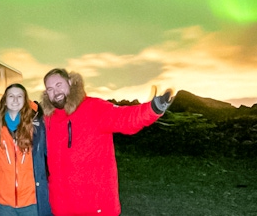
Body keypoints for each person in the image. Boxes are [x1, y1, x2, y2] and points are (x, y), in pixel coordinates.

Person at [41, 68, 175, 216]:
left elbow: (125, 118)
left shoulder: (93, 108)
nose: (56, 92)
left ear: (70, 82)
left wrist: (153, 108)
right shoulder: (48, 120)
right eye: (50, 89)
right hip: (61, 209)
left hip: (96, 208)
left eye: (59, 85)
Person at [0, 84, 51, 216]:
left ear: (25, 100)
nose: (15, 100)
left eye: (19, 96)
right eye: (11, 96)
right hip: (3, 203)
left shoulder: (37, 127)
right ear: (4, 100)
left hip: (31, 202)